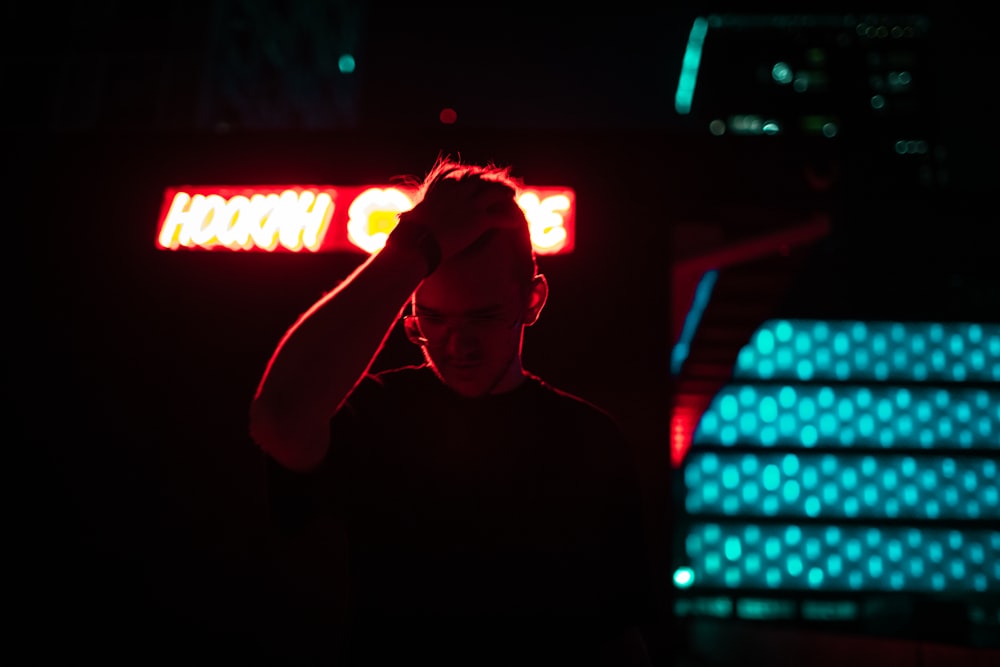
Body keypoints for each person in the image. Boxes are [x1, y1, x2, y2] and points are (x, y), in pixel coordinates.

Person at [249, 156, 658, 666]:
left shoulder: (593, 440)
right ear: (407, 315)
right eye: (433, 319)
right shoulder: (371, 414)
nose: (457, 344)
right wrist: (410, 246)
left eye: (484, 317)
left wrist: (413, 251)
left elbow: (621, 638)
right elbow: (278, 417)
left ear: (533, 300)